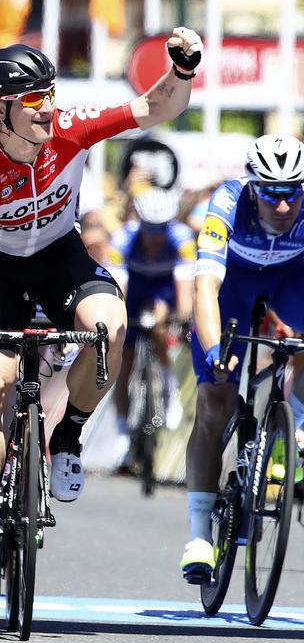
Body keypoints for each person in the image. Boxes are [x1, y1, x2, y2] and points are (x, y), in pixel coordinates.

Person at [0, 27, 202, 588]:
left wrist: (181, 71)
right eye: (34, 99)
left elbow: (155, 107)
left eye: (50, 93)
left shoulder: (69, 127)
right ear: (1, 109)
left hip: (59, 254)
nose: (48, 107)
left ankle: (68, 437)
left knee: (111, 327)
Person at [181, 134, 304, 582]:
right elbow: (205, 288)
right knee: (215, 402)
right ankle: (198, 535)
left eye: (293, 191)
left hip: (292, 281)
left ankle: (296, 428)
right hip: (232, 289)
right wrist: (214, 350)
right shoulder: (227, 203)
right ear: (252, 186)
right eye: (272, 192)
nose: (284, 204)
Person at [106, 186, 195, 452]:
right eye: (150, 228)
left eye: (161, 228)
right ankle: (122, 429)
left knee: (159, 325)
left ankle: (170, 391)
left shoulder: (182, 237)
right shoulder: (123, 239)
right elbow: (117, 288)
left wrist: (181, 317)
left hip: (165, 288)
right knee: (124, 359)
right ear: (140, 222)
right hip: (135, 286)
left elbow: (184, 288)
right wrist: (117, 320)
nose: (156, 235)